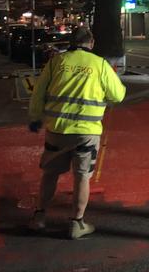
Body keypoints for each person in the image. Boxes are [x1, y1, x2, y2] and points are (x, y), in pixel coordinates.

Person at [28, 27, 126, 239]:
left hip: (57, 129)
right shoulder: (100, 64)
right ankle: (76, 223)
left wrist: (35, 117)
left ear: (71, 42)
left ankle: (39, 217)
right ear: (90, 43)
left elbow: (38, 93)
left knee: (50, 174)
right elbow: (118, 95)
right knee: (82, 176)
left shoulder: (56, 62)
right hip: (86, 132)